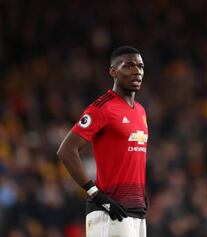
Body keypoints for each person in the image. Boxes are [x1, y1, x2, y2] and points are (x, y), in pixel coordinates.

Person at [57, 46, 148, 237]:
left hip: (136, 212)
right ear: (113, 71)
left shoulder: (140, 110)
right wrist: (96, 195)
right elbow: (66, 150)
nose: (137, 71)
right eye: (129, 65)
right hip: (109, 211)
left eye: (140, 66)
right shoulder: (102, 107)